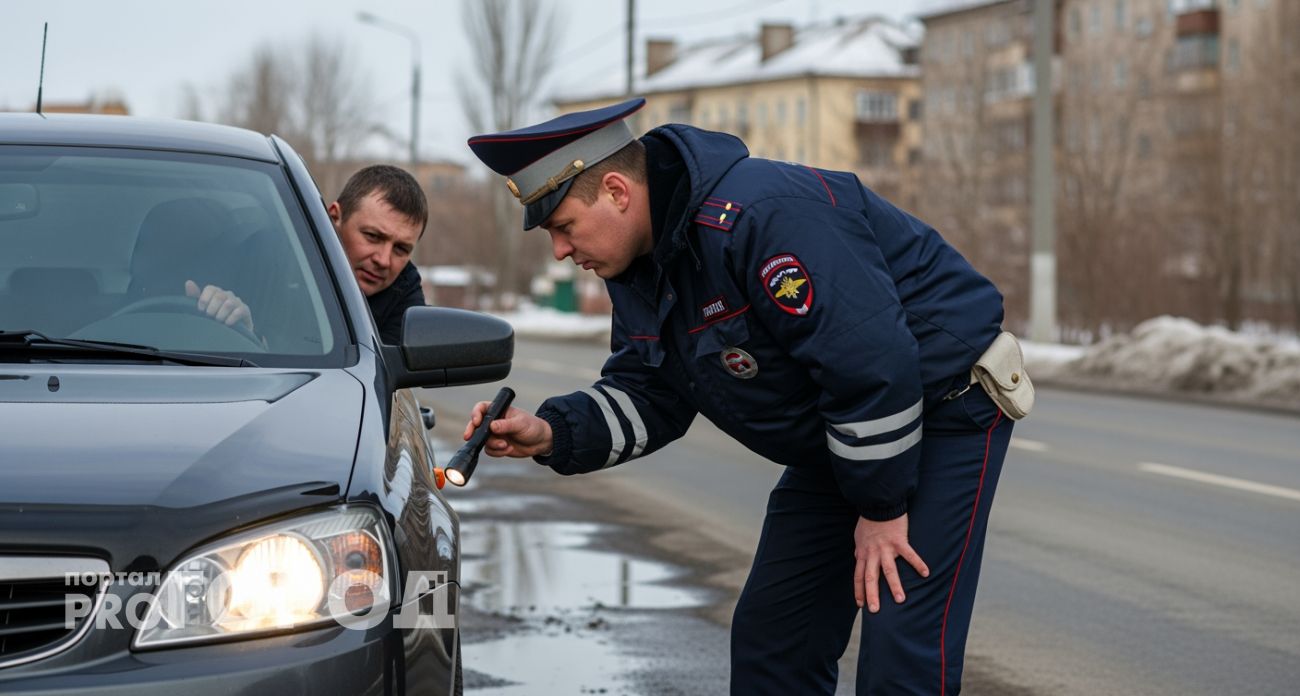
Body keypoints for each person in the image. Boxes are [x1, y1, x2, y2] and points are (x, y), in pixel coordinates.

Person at [462, 98, 1031, 695]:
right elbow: (651, 392)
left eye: (563, 227)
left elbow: (870, 362)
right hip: (845, 437)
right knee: (775, 640)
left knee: (900, 653)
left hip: (939, 408)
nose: (559, 251)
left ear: (616, 191)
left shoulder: (761, 216)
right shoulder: (640, 265)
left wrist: (883, 511)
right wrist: (550, 433)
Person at [185, 164, 429, 345]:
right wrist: (236, 325)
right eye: (372, 237)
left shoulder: (405, 290)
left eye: (401, 249)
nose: (383, 260)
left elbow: (385, 382)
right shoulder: (262, 256)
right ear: (334, 217)